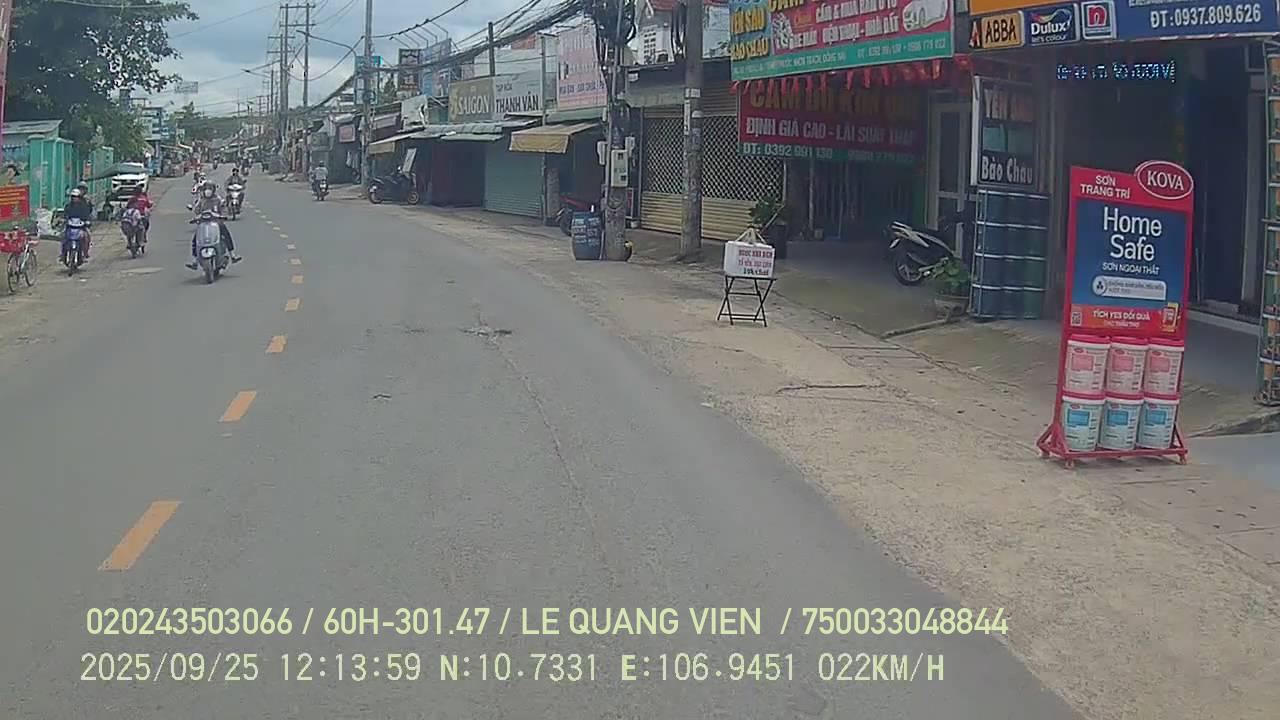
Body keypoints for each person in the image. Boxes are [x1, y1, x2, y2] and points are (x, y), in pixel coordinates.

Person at [186, 181, 242, 269]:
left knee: (226, 235)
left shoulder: (218, 200)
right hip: (203, 225)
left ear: (213, 190)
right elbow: (196, 210)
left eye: (210, 189)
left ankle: (232, 255)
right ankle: (195, 260)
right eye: (206, 189)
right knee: (195, 240)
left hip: (217, 224)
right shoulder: (201, 201)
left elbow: (224, 209)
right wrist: (196, 217)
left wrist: (223, 216)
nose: (208, 191)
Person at [62, 187, 94, 263]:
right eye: (73, 197)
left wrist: (87, 221)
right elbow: (65, 215)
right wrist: (63, 220)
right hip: (70, 227)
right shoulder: (68, 206)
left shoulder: (84, 206)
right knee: (63, 237)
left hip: (81, 227)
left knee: (87, 237)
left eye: (76, 197)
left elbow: (87, 215)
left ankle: (85, 253)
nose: (75, 198)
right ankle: (63, 253)